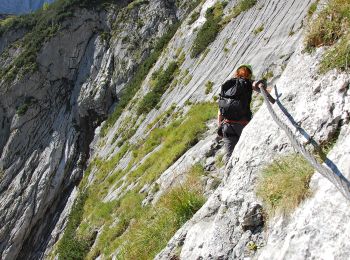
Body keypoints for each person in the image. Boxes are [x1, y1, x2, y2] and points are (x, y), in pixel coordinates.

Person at [217, 64, 266, 162]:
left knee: (229, 156)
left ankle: (229, 175)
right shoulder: (247, 83)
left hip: (227, 126)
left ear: (237, 73)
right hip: (243, 125)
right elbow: (257, 86)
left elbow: (220, 108)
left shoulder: (228, 85)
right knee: (249, 153)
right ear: (249, 74)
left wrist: (220, 126)